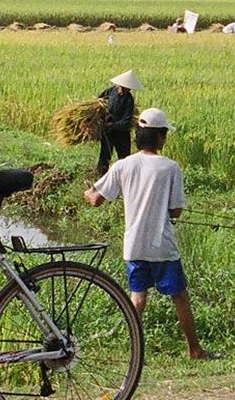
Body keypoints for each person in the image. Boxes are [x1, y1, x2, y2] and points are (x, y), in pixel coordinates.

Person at [84, 108, 216, 360]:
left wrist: (87, 194)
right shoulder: (170, 168)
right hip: (161, 245)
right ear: (160, 137)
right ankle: (194, 349)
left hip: (134, 245)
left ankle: (134, 352)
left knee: (138, 297)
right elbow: (175, 211)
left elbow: (96, 198)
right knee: (179, 295)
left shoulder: (123, 165)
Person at [96, 70, 140, 175]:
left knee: (124, 158)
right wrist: (103, 116)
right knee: (105, 156)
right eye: (126, 87)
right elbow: (98, 100)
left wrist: (112, 124)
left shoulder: (129, 100)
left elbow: (126, 121)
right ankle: (101, 177)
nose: (128, 90)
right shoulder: (111, 91)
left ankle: (125, 180)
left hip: (122, 134)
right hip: (108, 133)